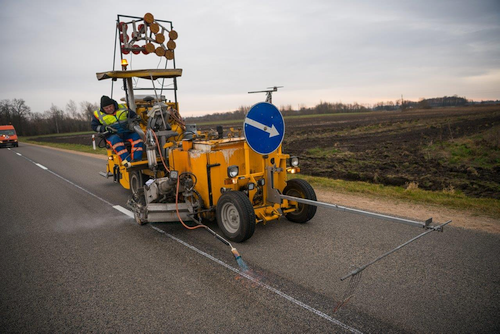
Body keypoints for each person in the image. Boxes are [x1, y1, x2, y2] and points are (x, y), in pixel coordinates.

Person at [91, 95, 144, 167]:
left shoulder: (123, 107)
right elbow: (94, 126)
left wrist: (135, 119)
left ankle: (137, 160)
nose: (109, 109)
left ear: (114, 104)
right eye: (106, 108)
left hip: (127, 132)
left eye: (110, 106)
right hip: (112, 134)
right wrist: (105, 128)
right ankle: (126, 161)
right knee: (116, 141)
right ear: (102, 108)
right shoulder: (98, 114)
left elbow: (133, 115)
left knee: (138, 137)